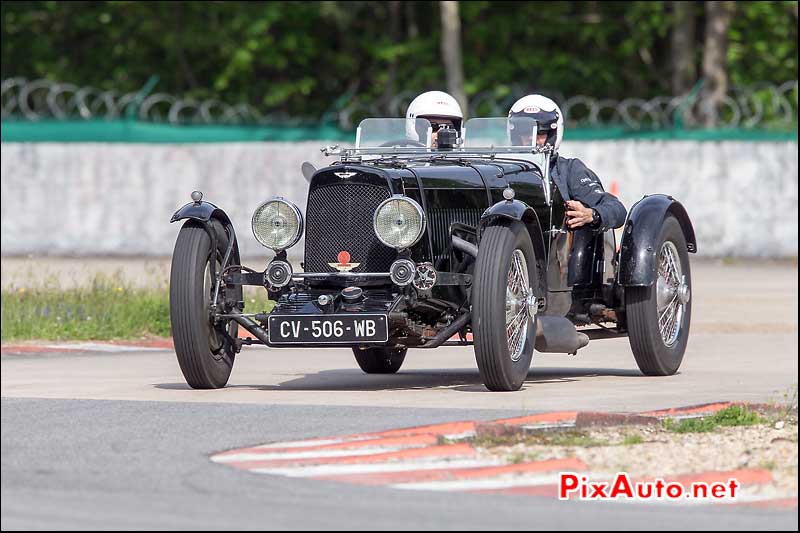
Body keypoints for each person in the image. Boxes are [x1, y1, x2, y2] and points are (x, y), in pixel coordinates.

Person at [508, 94, 626, 232]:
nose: (532, 139)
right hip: (503, 245)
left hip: (560, 249)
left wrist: (591, 214)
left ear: (552, 135)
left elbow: (616, 208)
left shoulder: (569, 170)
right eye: (525, 132)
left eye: (540, 133)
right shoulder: (502, 171)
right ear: (515, 135)